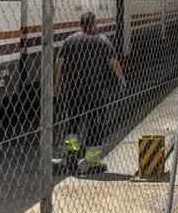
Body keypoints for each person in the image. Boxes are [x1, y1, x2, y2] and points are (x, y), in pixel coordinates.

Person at [54, 11, 127, 173]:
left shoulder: (69, 40)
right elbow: (113, 62)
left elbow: (58, 64)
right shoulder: (102, 40)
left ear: (81, 24)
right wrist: (121, 78)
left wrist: (57, 85)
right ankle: (92, 163)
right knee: (95, 126)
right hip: (95, 93)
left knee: (72, 125)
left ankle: (70, 160)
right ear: (94, 24)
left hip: (73, 92)